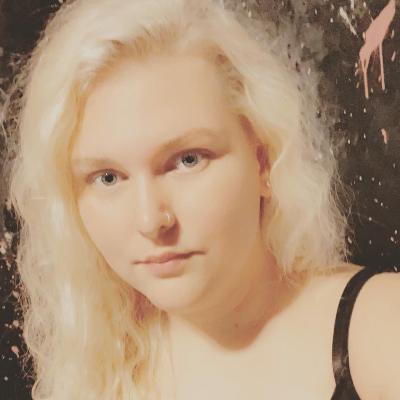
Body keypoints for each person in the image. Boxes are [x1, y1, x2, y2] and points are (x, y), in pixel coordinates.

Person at [2, 0, 400, 399]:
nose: (151, 220)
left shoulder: (380, 327)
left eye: (187, 160)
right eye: (108, 178)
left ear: (263, 160)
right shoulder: (94, 363)